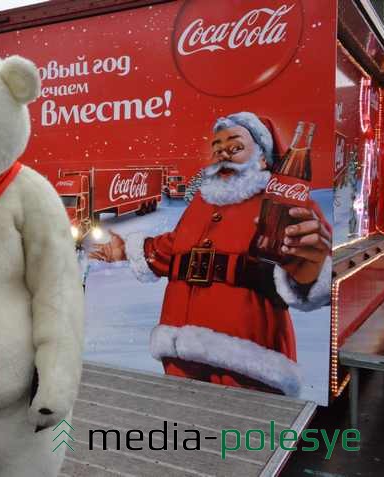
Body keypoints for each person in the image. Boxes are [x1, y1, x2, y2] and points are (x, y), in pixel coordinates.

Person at [90, 112, 332, 397]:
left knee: (244, 433)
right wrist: (128, 250)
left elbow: (307, 264)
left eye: (235, 147)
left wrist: (311, 268)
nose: (223, 155)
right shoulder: (203, 204)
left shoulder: (284, 204)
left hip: (249, 358)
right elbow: (175, 247)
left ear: (263, 158)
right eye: (217, 149)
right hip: (179, 352)